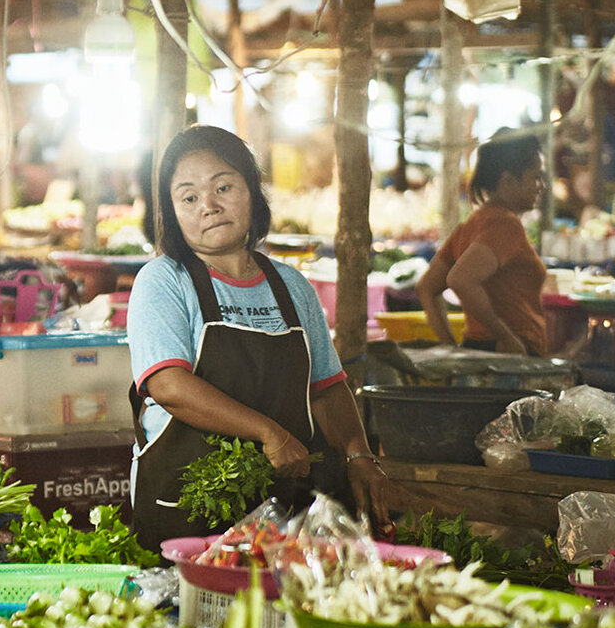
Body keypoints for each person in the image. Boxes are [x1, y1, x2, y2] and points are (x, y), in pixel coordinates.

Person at [126, 125, 390, 552]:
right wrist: (269, 433)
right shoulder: (163, 281)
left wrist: (359, 455)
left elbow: (326, 388)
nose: (208, 206)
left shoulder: (291, 286)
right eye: (188, 197)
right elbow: (169, 385)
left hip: (284, 511)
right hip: (186, 513)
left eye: (223, 187)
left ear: (252, 191)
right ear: (171, 212)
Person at [416, 128, 547, 356]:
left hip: (481, 350)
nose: (541, 186)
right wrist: (505, 336)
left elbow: (427, 287)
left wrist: (452, 347)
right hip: (509, 356)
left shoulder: (473, 224)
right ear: (507, 180)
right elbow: (461, 279)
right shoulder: (505, 225)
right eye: (536, 176)